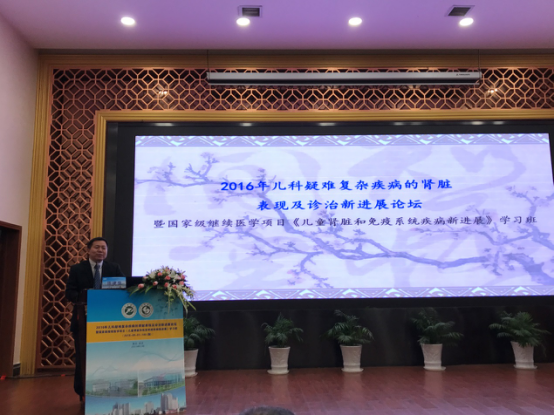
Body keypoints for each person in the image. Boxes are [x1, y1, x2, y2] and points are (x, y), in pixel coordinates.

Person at [65, 237, 124, 399]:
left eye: (103, 248)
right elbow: (69, 292)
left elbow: (123, 289)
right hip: (83, 321)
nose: (100, 250)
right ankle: (83, 392)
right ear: (88, 250)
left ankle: (110, 391)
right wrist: (86, 297)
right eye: (97, 247)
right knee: (83, 357)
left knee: (109, 357)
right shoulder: (77, 269)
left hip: (109, 321)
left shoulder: (114, 268)